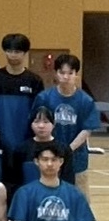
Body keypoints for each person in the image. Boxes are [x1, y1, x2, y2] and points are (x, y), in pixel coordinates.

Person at [31, 54, 99, 199]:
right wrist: (51, 148)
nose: (66, 77)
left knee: (79, 198)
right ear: (56, 73)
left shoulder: (86, 101)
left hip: (76, 159)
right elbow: (37, 123)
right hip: (49, 156)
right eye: (62, 72)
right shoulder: (44, 98)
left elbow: (87, 129)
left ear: (76, 74)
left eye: (70, 73)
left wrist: (68, 150)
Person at [0, 34, 43, 155]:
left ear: (25, 53)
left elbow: (38, 112)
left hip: (26, 141)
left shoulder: (34, 81)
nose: (13, 55)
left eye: (17, 51)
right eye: (9, 51)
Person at [15, 107, 74, 186]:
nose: (41, 126)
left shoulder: (64, 149)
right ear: (31, 124)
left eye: (46, 122)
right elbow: (14, 179)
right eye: (36, 122)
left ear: (53, 124)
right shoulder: (21, 149)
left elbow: (68, 179)